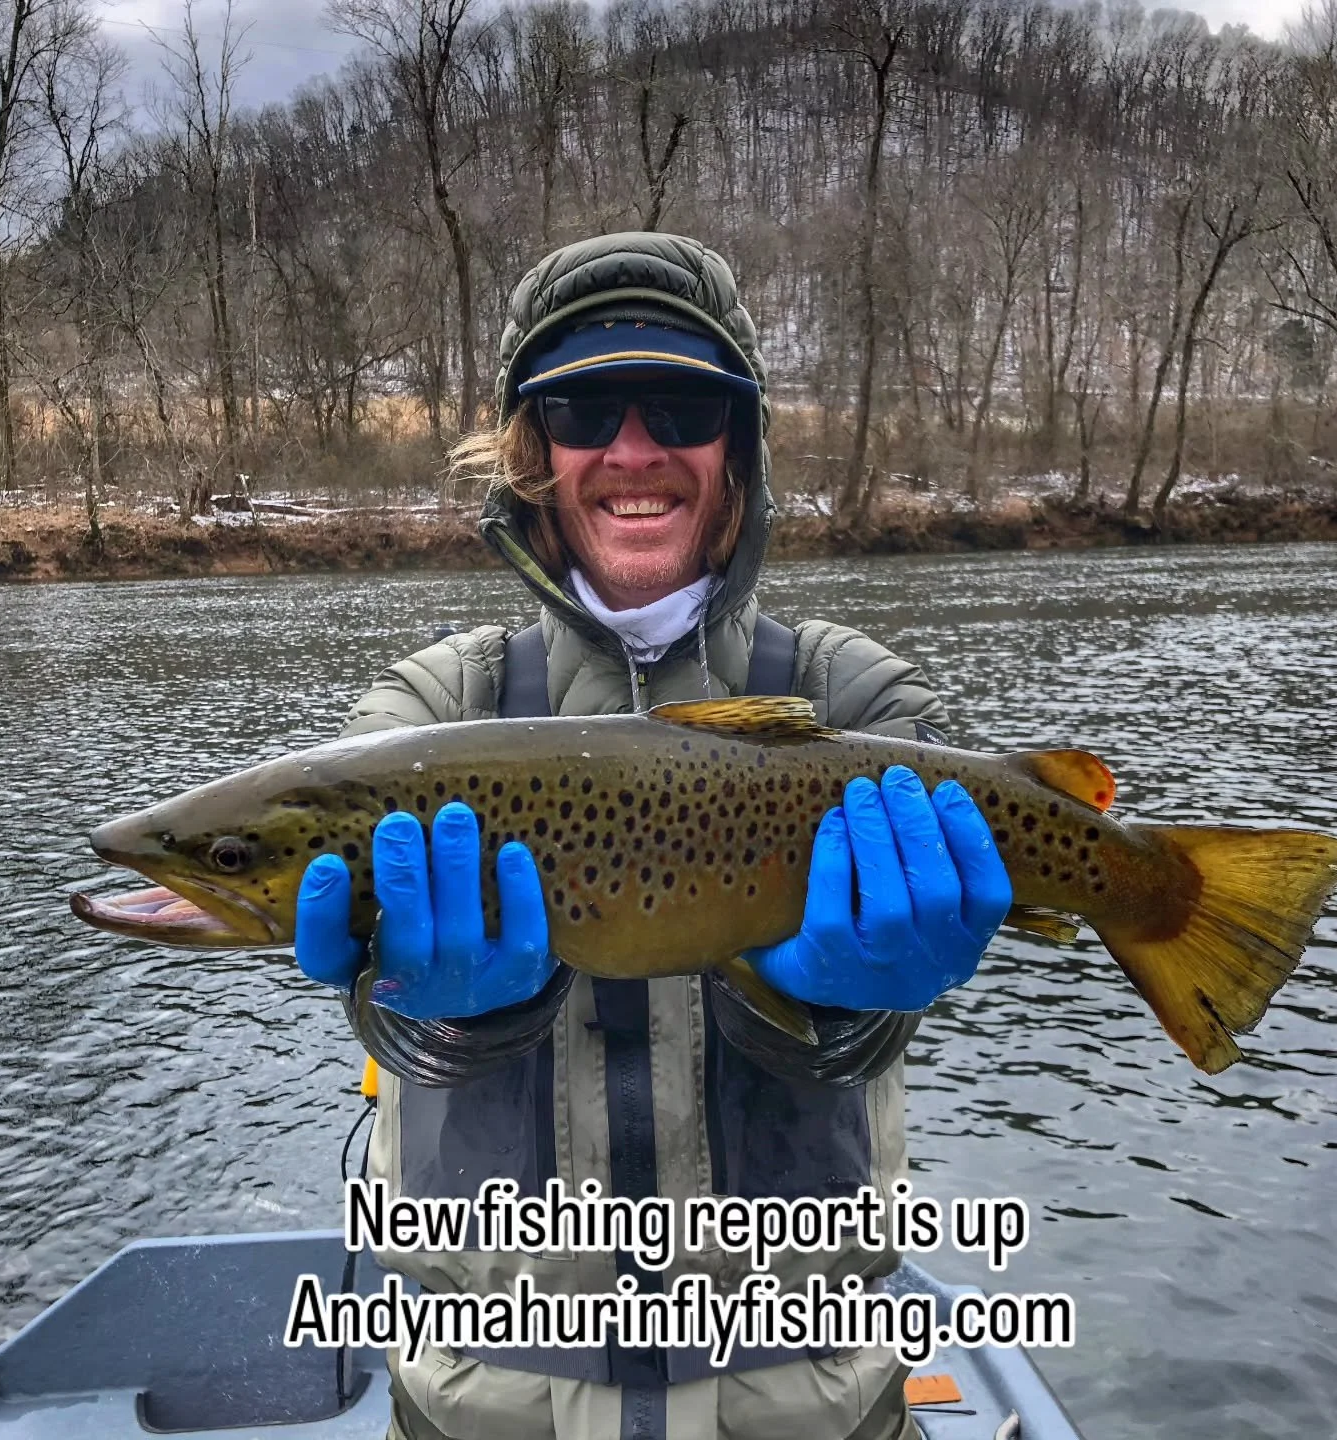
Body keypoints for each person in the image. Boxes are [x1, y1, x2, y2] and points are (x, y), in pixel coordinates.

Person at [293, 232, 1012, 1440]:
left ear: (737, 447)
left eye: (681, 403)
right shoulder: (427, 714)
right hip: (490, 1400)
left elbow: (890, 1017)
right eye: (581, 409)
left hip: (807, 1397)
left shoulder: (853, 698)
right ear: (533, 454)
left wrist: (844, 1007)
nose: (634, 450)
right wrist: (442, 1013)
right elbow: (392, 1033)